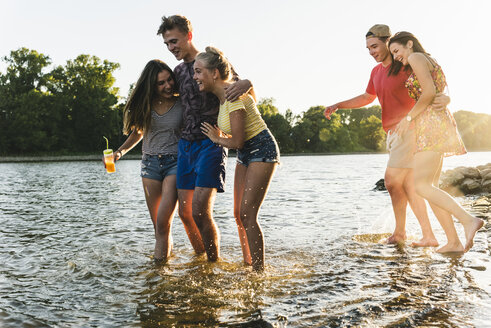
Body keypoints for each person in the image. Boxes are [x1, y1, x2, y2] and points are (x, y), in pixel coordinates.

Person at [324, 24, 443, 247]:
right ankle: (424, 235)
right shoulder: (376, 72)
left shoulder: (405, 64)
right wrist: (338, 105)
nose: (371, 52)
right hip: (392, 133)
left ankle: (404, 233)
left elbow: (431, 86)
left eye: (375, 46)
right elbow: (367, 98)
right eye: (368, 48)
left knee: (391, 181)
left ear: (388, 42)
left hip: (410, 129)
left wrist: (443, 99)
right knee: (405, 185)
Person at [157, 15, 252, 261]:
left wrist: (248, 82)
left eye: (175, 41)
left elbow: (245, 89)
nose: (171, 48)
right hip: (185, 146)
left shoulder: (211, 63)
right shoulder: (177, 72)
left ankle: (213, 264)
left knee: (200, 211)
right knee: (185, 214)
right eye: (167, 44)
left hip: (212, 143)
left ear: (189, 35)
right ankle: (202, 259)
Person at [388, 31, 484, 253]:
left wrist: (408, 118)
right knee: (430, 186)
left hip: (430, 125)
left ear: (409, 44)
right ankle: (453, 242)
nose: (396, 57)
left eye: (397, 51)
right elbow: (439, 90)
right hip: (435, 123)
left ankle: (468, 220)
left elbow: (429, 92)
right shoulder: (430, 60)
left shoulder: (416, 57)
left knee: (420, 185)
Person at [194, 47, 280, 271]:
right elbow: (242, 133)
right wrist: (248, 83)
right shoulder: (225, 96)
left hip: (262, 150)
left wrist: (216, 138)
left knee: (247, 214)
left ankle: (259, 271)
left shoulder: (231, 95)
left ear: (214, 73)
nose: (194, 77)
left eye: (198, 72)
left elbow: (238, 141)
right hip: (245, 154)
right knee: (238, 213)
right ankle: (250, 263)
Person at [111, 60, 205, 262]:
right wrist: (119, 153)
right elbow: (138, 133)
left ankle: (162, 269)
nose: (168, 85)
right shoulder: (145, 106)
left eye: (169, 80)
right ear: (152, 86)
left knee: (163, 222)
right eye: (161, 83)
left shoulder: (182, 103)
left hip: (175, 163)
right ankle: (167, 268)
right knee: (159, 226)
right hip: (149, 166)